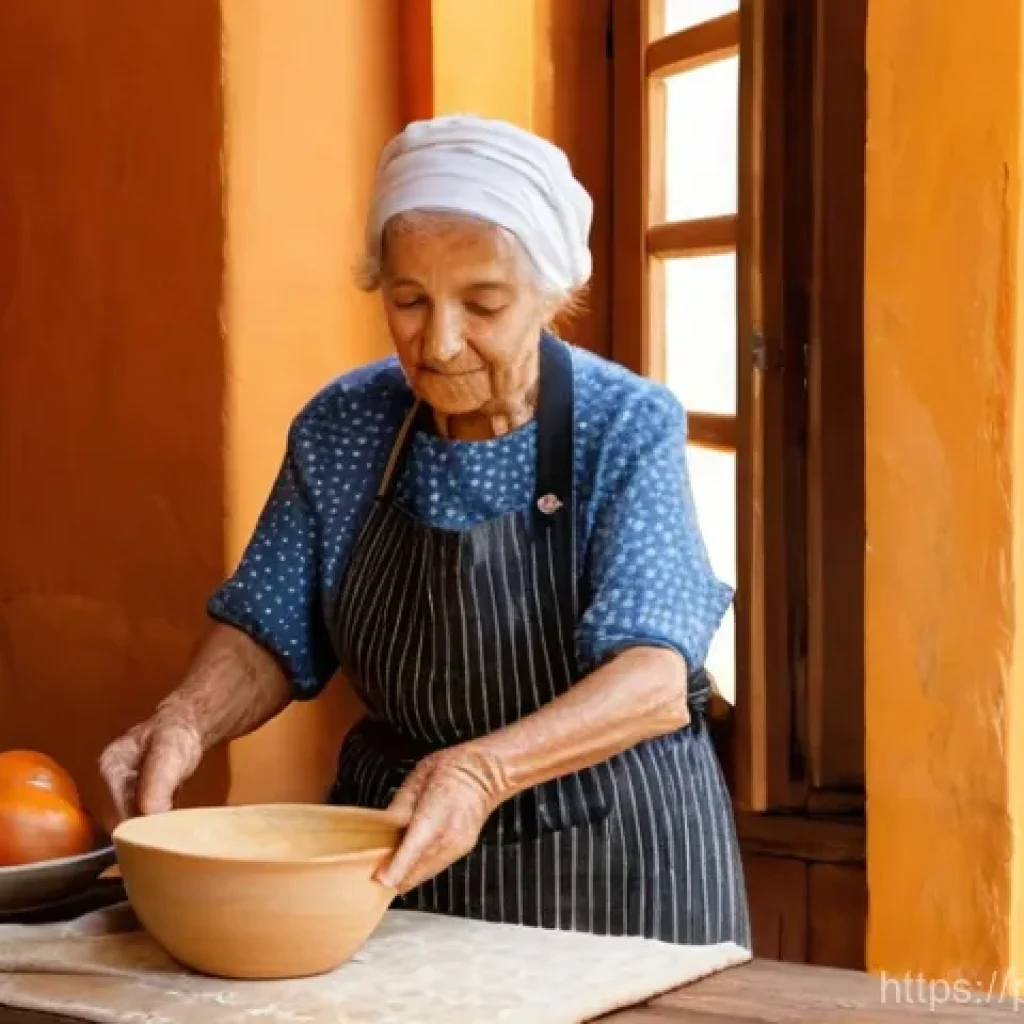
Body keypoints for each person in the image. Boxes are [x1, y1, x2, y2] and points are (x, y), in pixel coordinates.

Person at [99, 113, 750, 948]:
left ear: (552, 296)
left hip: (615, 863)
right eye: (408, 301)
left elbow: (654, 677)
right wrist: (185, 718)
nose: (438, 343)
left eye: (482, 304)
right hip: (398, 855)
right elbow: (266, 627)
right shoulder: (345, 426)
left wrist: (484, 769)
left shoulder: (623, 424)